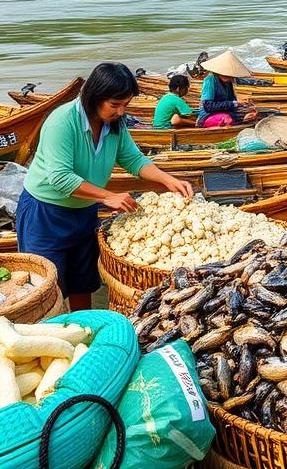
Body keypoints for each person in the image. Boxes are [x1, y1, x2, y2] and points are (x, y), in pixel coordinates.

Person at [17, 63, 193, 310]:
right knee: (46, 290)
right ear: (94, 97)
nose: (121, 112)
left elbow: (133, 159)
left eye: (126, 105)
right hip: (46, 214)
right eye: (115, 105)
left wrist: (168, 180)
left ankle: (84, 331)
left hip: (84, 211)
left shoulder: (115, 125)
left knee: (83, 282)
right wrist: (107, 196)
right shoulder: (63, 122)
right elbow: (59, 177)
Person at [196, 51, 258, 127]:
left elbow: (231, 100)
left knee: (252, 111)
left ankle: (241, 119)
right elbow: (208, 106)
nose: (229, 76)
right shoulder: (210, 80)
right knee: (227, 119)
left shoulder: (228, 82)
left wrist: (243, 103)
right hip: (208, 115)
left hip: (225, 111)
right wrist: (235, 103)